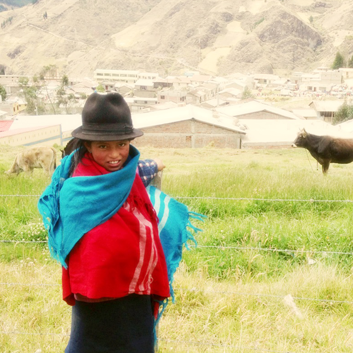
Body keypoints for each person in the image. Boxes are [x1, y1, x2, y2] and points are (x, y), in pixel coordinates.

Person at [38, 92, 170, 353]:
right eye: (103, 147)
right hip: (95, 290)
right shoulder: (76, 187)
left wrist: (156, 164)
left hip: (135, 290)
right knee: (89, 344)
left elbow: (145, 167)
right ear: (87, 145)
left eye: (122, 144)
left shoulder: (129, 171)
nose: (115, 154)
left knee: (137, 345)